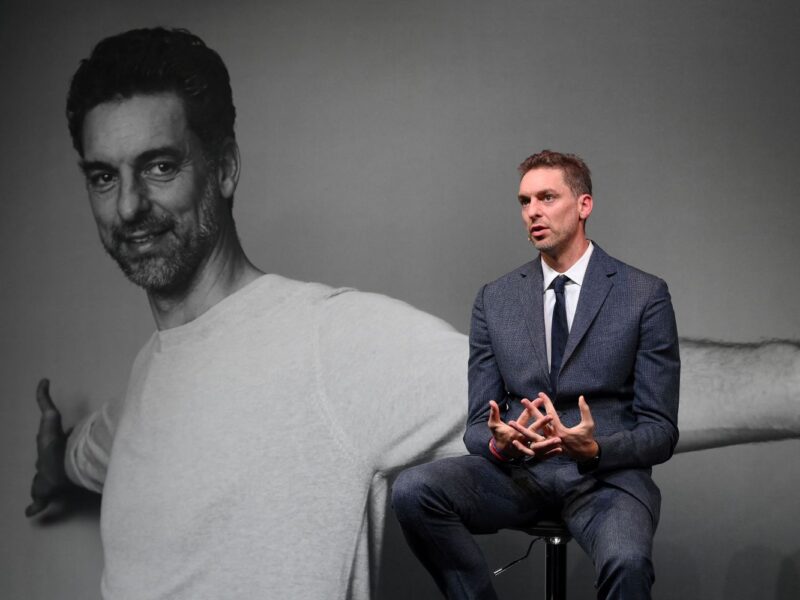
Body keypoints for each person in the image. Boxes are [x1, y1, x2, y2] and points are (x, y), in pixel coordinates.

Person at [24, 27, 468, 600]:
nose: (129, 206)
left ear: (225, 168)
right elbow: (85, 455)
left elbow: (550, 392)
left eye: (159, 166)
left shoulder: (330, 342)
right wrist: (53, 465)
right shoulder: (142, 386)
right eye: (104, 177)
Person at [392, 150, 681, 599]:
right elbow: (475, 426)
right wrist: (499, 444)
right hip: (520, 474)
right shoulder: (495, 299)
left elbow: (661, 432)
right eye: (525, 201)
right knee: (414, 490)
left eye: (547, 197)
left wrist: (595, 447)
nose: (533, 212)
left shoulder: (644, 294)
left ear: (584, 204)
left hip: (606, 477)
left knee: (628, 562)